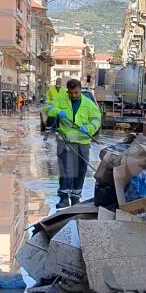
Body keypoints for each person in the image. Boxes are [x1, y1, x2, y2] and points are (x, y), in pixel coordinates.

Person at [46, 78, 102, 208]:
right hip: (65, 140)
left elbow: (96, 119)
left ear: (80, 90)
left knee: (81, 169)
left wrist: (88, 129)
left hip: (83, 142)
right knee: (66, 169)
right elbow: (48, 108)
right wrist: (57, 112)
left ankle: (76, 197)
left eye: (76, 92)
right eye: (71, 93)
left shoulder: (89, 104)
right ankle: (64, 198)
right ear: (68, 91)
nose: (73, 95)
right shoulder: (61, 100)